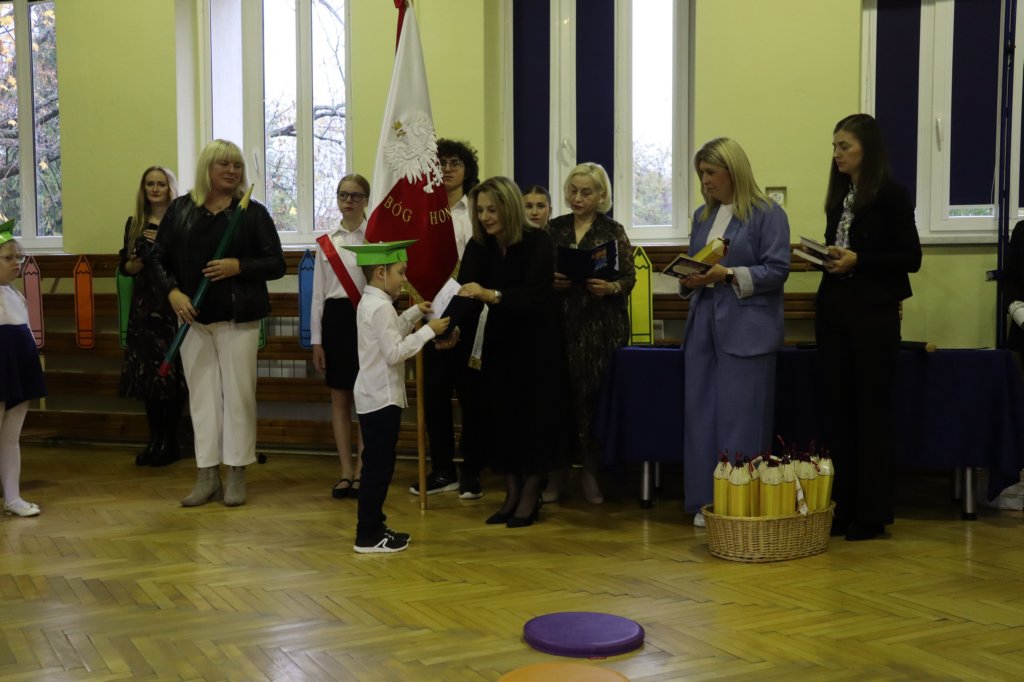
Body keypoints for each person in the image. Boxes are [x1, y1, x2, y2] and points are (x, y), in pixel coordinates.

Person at [149, 139, 286, 508]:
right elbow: (156, 258)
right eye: (224, 164)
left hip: (237, 319)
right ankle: (207, 474)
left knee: (239, 397)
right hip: (192, 319)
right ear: (207, 168)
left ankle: (237, 471)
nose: (232, 171)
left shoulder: (252, 213)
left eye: (237, 165)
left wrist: (239, 266)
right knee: (202, 399)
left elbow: (276, 263)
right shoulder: (181, 210)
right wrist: (173, 293)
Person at [814, 113, 921, 541]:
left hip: (873, 314)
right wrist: (824, 256)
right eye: (834, 147)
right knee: (838, 409)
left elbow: (911, 257)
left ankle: (872, 513)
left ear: (867, 149)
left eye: (845, 146)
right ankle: (842, 507)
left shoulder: (891, 194)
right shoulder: (840, 195)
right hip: (835, 311)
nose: (837, 154)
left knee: (871, 412)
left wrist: (859, 260)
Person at [681, 137, 791, 527]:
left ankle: (738, 502)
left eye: (711, 172)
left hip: (747, 328)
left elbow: (777, 270)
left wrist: (726, 274)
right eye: (701, 173)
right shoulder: (702, 216)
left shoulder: (767, 214)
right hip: (703, 323)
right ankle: (704, 501)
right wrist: (689, 277)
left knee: (742, 418)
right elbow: (696, 263)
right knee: (700, 415)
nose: (705, 181)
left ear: (733, 171)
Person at [447, 177, 567, 526]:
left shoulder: (538, 241)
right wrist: (448, 327)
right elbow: (466, 292)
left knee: (534, 419)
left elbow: (533, 296)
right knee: (504, 417)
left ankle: (530, 494)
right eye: (480, 210)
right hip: (501, 341)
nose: (485, 217)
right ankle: (511, 493)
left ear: (509, 208)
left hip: (538, 342)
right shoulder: (479, 245)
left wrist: (493, 295)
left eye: (492, 209)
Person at [343, 240, 450, 553]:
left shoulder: (373, 303)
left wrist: (414, 312)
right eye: (400, 273)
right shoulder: (380, 308)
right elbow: (394, 353)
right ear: (381, 273)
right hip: (381, 398)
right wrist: (429, 331)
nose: (404, 279)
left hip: (375, 396)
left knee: (378, 466)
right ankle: (367, 534)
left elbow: (389, 336)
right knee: (378, 469)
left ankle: (375, 526)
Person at [548, 162, 636, 504]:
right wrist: (551, 281)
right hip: (561, 323)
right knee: (559, 399)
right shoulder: (554, 228)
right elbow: (537, 273)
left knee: (594, 400)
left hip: (601, 327)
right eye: (573, 190)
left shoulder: (612, 230)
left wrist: (610, 287)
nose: (578, 198)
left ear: (601, 195)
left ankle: (590, 474)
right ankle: (557, 475)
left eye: (586, 192)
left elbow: (628, 278)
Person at [410, 139, 486, 499]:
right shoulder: (421, 212)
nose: (448, 169)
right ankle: (442, 469)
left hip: (469, 315)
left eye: (456, 162)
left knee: (472, 399)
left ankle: (472, 470)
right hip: (430, 314)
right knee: (434, 398)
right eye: (441, 163)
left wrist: (456, 321)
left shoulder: (477, 212)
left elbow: (479, 270)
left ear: (467, 169)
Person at [118, 166, 188, 468]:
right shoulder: (135, 223)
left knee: (170, 374)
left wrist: (160, 245)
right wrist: (137, 259)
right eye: (150, 184)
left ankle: (170, 442)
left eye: (161, 184)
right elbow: (126, 268)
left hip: (171, 303)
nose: (155, 189)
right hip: (144, 306)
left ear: (171, 188)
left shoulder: (181, 222)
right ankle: (155, 439)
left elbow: (185, 264)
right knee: (148, 375)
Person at [312, 174, 369, 499]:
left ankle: (363, 470)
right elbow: (318, 296)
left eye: (356, 195)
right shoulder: (326, 242)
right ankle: (346, 471)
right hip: (335, 321)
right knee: (340, 399)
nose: (348, 201)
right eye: (343, 195)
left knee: (366, 399)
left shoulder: (375, 238)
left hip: (367, 319)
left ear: (365, 200)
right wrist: (317, 341)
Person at [0, 225, 45, 517]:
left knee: (11, 438)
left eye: (19, 257)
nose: (17, 263)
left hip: (19, 368)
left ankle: (13, 498)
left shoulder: (15, 295)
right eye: (8, 258)